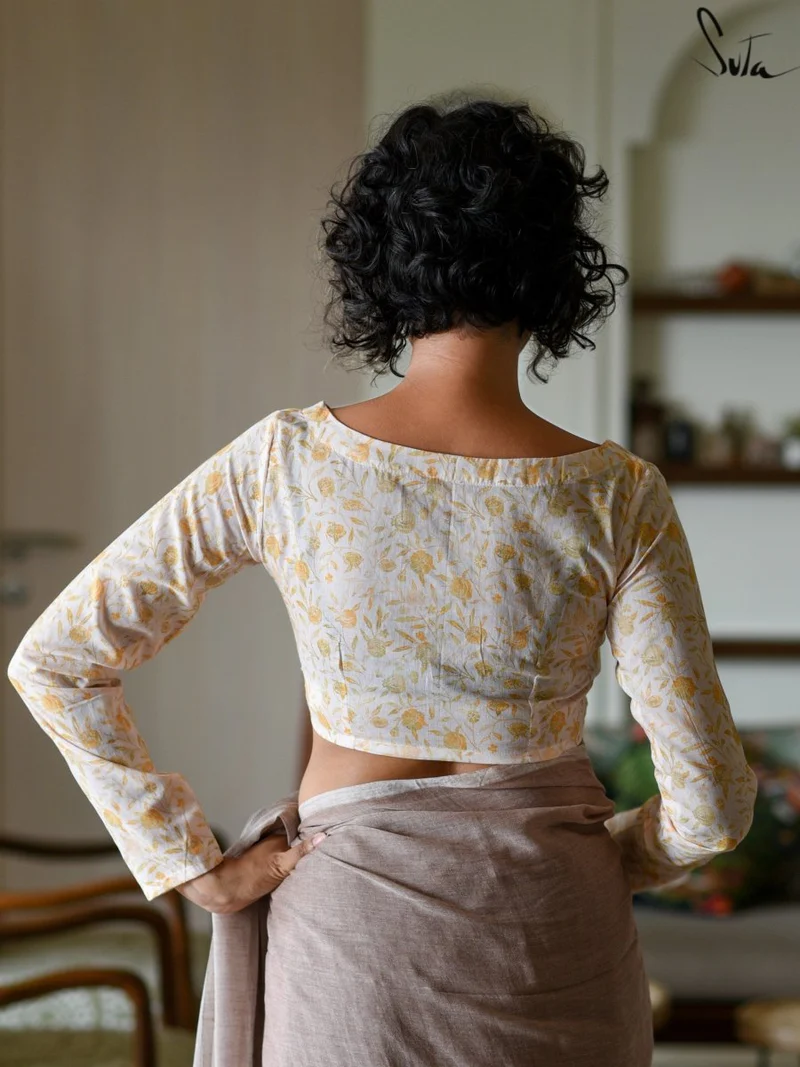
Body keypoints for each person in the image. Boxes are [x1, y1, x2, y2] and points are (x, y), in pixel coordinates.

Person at [7, 91, 758, 1066]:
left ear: (380, 264)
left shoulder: (284, 462)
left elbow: (59, 659)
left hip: (352, 946)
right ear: (553, 268)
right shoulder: (617, 495)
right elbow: (712, 803)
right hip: (557, 926)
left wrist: (187, 861)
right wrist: (613, 857)